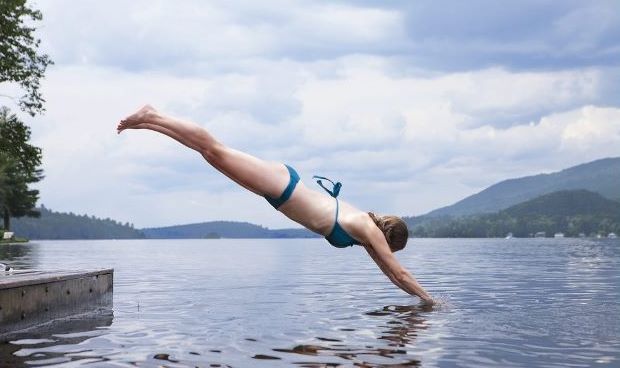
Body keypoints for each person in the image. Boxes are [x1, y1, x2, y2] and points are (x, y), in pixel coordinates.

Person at [117, 105, 434, 305]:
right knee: (214, 149)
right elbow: (400, 272)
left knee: (210, 154)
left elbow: (391, 273)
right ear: (390, 239)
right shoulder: (366, 227)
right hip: (284, 187)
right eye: (392, 249)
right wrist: (432, 302)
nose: (388, 255)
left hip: (280, 192)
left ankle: (150, 122)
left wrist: (420, 301)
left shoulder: (365, 232)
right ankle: (153, 117)